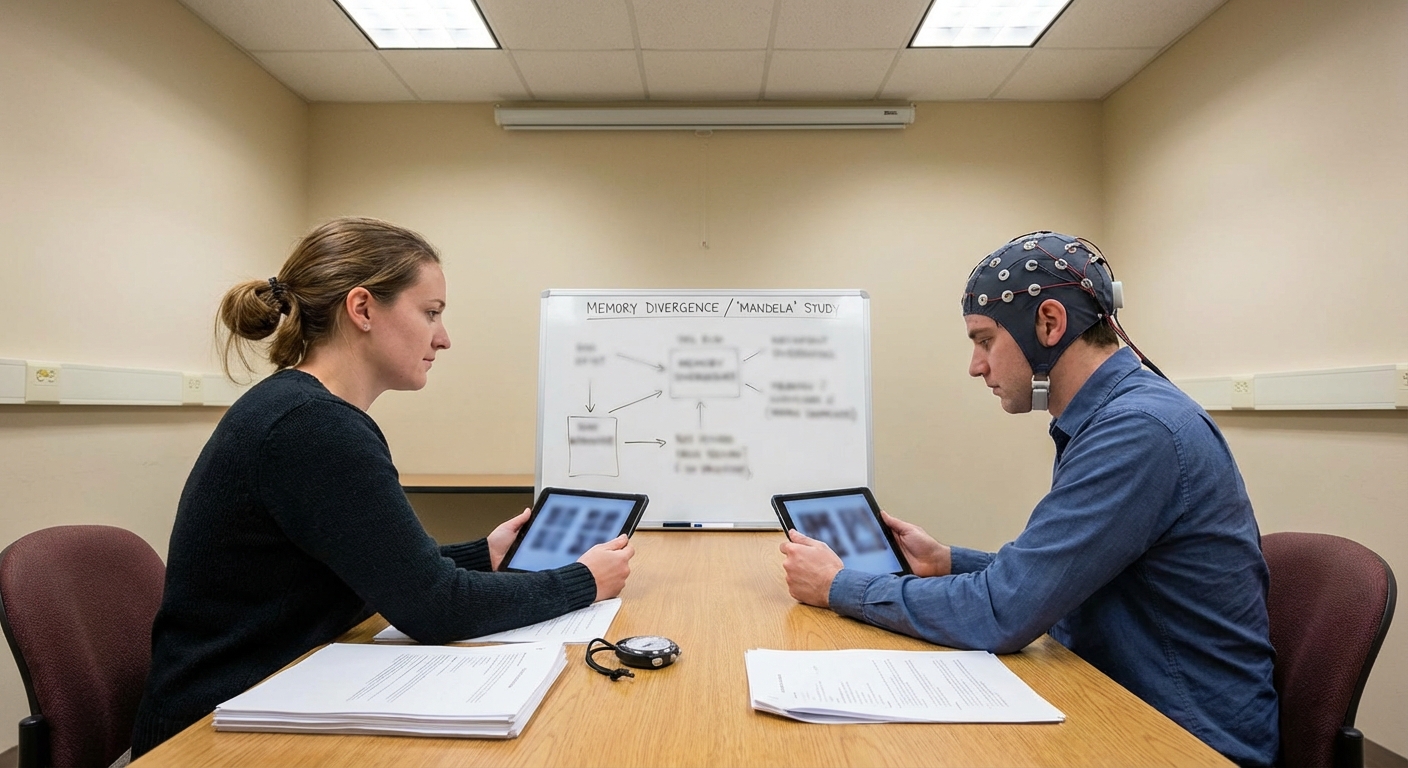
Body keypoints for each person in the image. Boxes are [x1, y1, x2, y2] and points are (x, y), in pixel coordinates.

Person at [132, 217, 634, 756]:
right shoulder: (312, 426)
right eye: (431, 313)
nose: (443, 338)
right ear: (363, 308)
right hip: (211, 732)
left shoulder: (300, 409)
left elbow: (379, 567)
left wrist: (481, 554)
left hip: (277, 688)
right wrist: (583, 581)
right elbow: (434, 608)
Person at [779, 231, 1279, 766]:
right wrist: (946, 561)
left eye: (985, 340)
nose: (976, 366)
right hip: (1127, 701)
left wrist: (838, 586)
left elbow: (1005, 613)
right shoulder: (1115, 418)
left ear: (1049, 323)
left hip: (1186, 741)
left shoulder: (1138, 431)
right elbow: (1065, 577)